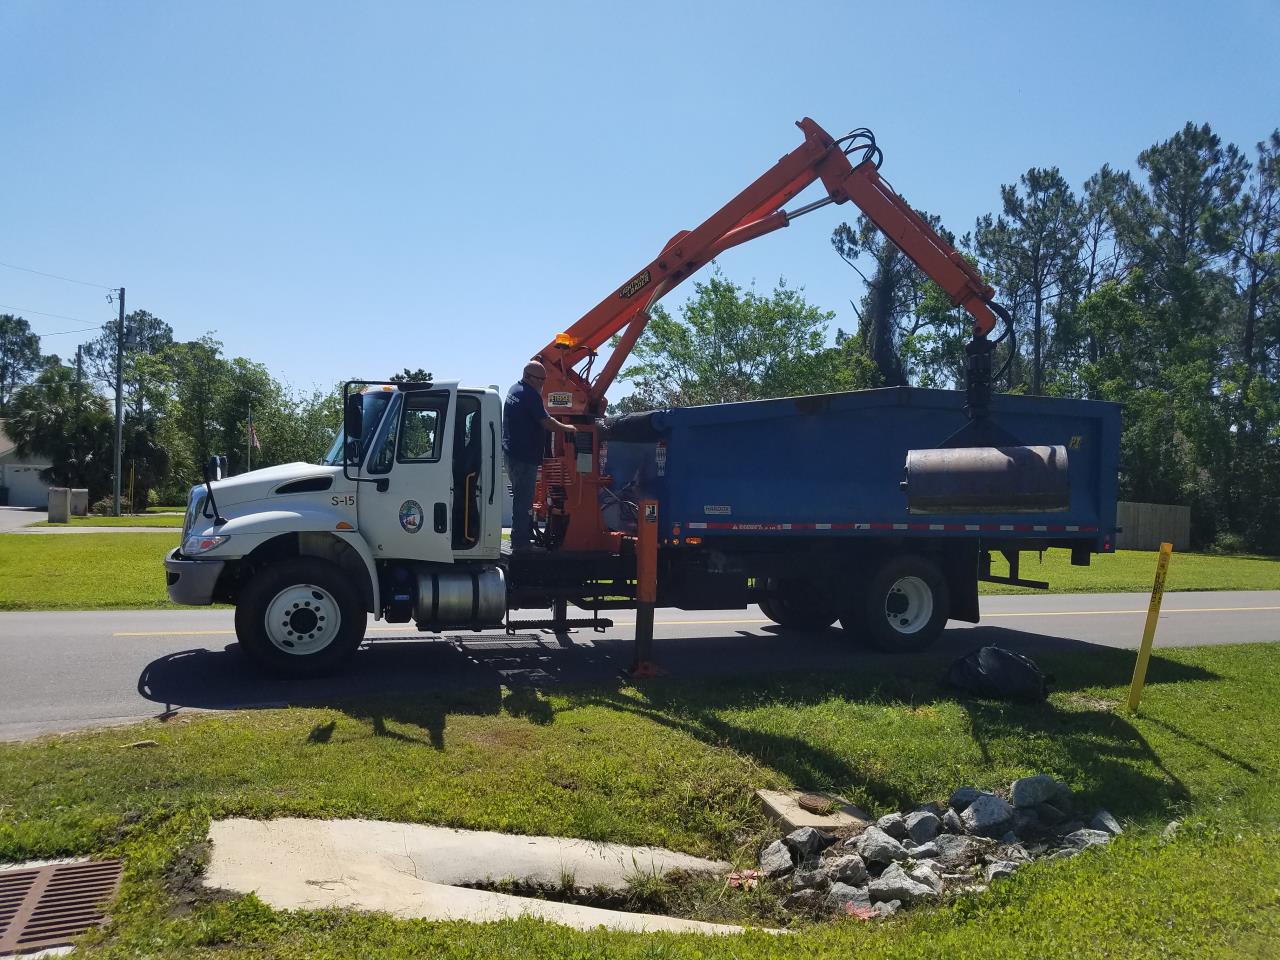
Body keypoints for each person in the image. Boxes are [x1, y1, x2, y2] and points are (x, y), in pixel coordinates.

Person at [503, 360, 576, 551]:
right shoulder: (528, 395)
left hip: (513, 454)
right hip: (524, 457)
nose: (543, 384)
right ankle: (521, 542)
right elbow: (547, 422)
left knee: (521, 498)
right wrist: (567, 428)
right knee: (523, 501)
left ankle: (520, 538)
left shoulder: (514, 390)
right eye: (540, 380)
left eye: (544, 380)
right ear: (528, 377)